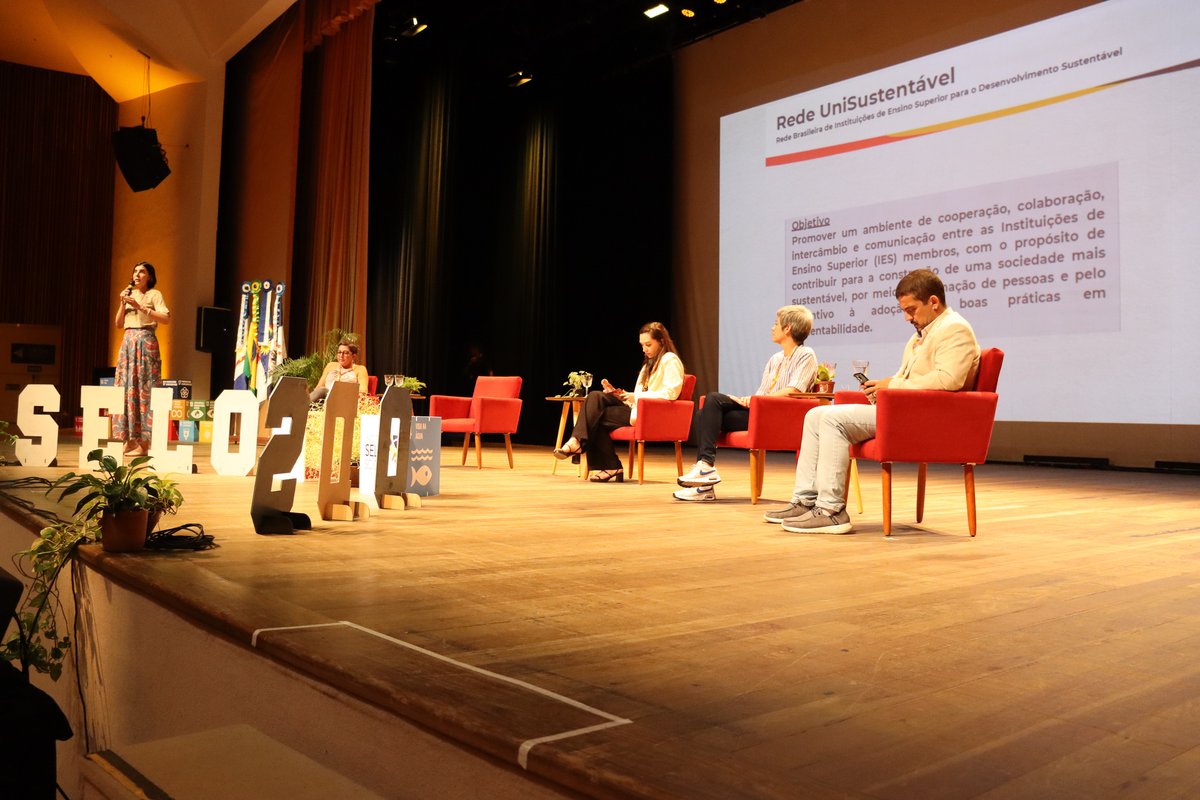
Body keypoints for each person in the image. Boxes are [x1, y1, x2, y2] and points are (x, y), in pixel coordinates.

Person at [764, 268, 980, 534]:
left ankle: (831, 511)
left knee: (832, 420)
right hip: (905, 411)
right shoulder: (920, 336)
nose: (907, 317)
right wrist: (882, 387)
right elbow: (909, 378)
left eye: (911, 310)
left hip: (927, 419)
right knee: (815, 415)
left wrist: (893, 386)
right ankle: (805, 501)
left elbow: (948, 380)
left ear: (933, 302)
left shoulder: (955, 328)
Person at [674, 305, 819, 501]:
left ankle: (705, 475)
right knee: (705, 411)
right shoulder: (775, 359)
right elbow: (763, 391)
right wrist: (747, 400)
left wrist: (756, 401)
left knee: (711, 403)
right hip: (760, 410)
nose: (772, 327)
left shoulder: (806, 354)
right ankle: (705, 476)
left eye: (776, 323)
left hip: (776, 417)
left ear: (788, 329)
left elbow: (794, 390)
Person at [554, 322, 685, 482]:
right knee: (594, 397)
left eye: (648, 344)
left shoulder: (670, 360)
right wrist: (620, 395)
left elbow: (671, 393)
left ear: (661, 341)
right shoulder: (648, 364)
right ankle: (579, 443)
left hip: (652, 413)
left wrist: (637, 397)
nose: (644, 349)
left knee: (595, 415)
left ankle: (588, 449)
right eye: (642, 345)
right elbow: (639, 395)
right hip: (638, 408)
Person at [113, 261, 170, 456]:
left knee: (145, 390)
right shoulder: (128, 294)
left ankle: (144, 444)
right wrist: (122, 303)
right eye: (135, 271)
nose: (137, 274)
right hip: (128, 342)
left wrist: (141, 307)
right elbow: (118, 324)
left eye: (142, 271)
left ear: (150, 277)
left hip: (145, 341)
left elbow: (165, 319)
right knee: (127, 389)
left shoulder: (154, 294)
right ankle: (129, 440)